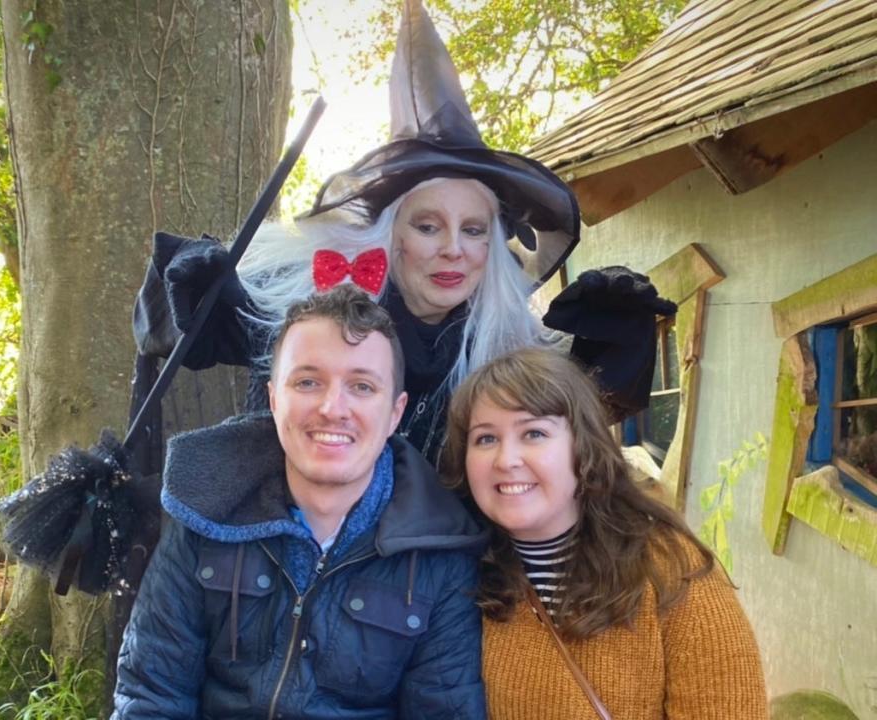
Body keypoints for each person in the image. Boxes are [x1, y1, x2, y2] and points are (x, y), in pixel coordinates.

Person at [134, 0, 674, 466]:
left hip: (434, 579)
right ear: (392, 236)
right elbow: (179, 332)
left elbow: (579, 416)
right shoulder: (313, 313)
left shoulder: (501, 343)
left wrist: (610, 333)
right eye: (428, 225)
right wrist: (204, 287)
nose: (452, 250)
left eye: (473, 229)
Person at [112, 284, 487, 719]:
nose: (333, 408)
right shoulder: (206, 512)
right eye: (308, 381)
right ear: (274, 399)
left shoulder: (440, 554)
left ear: (395, 413)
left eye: (362, 386)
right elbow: (152, 693)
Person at [443, 347, 768, 720]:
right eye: (485, 439)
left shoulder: (672, 573)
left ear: (584, 446)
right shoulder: (460, 579)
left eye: (533, 433)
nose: (506, 459)